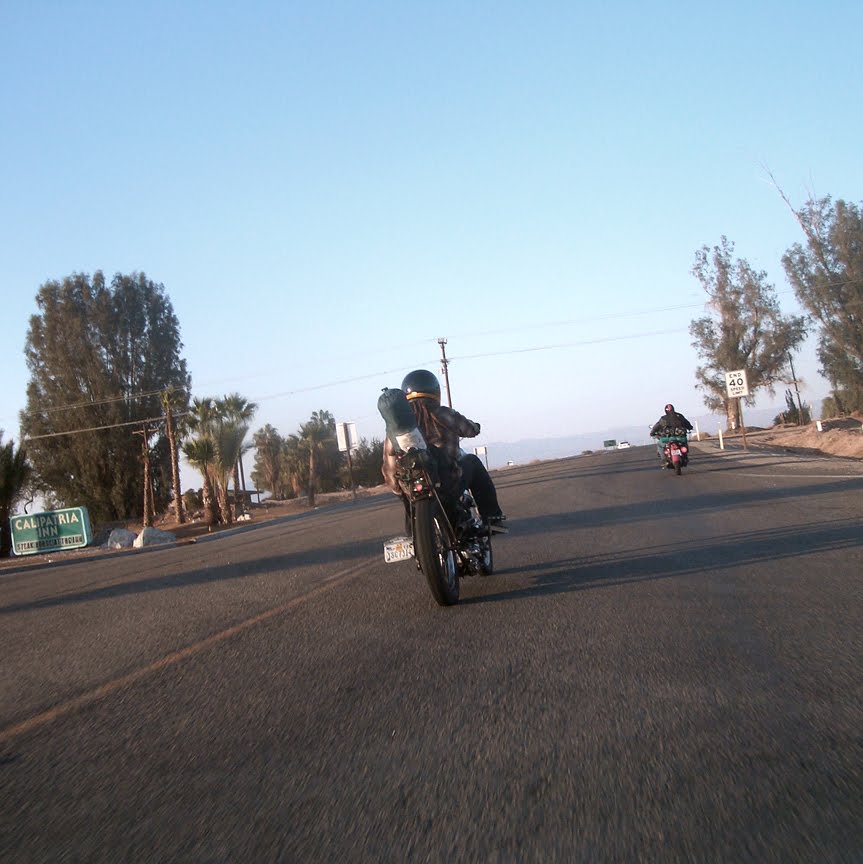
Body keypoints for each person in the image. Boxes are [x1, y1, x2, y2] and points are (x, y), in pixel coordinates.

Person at [382, 369, 505, 530]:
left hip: (412, 490)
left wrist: (399, 490)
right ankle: (492, 517)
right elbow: (470, 430)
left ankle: (413, 536)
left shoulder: (398, 429)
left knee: (408, 497)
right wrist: (476, 426)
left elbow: (389, 464)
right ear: (434, 392)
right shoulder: (444, 414)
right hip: (448, 483)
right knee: (472, 461)